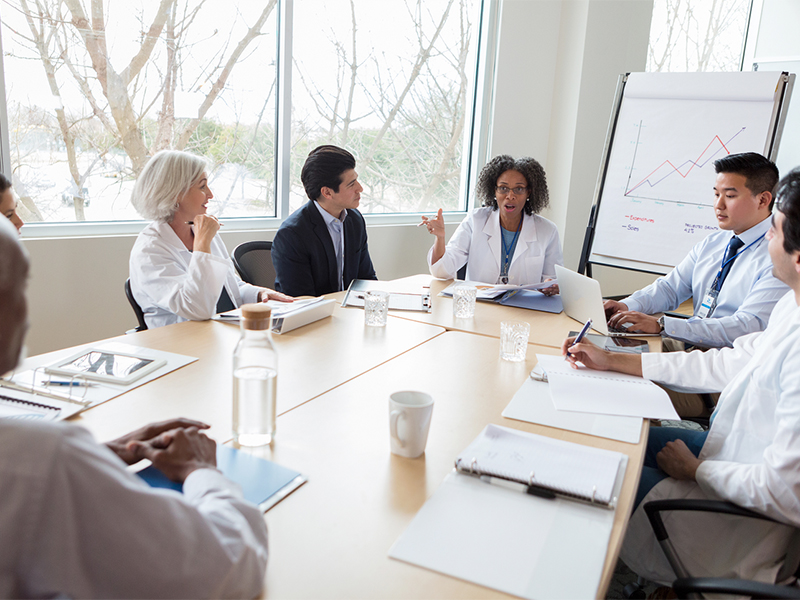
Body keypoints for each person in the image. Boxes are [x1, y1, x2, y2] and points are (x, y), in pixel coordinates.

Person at [0, 216, 268, 598]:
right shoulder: (39, 458)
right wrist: (202, 472)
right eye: (20, 289)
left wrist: (94, 456)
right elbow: (228, 569)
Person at [561, 167, 800, 586]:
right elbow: (724, 363)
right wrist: (612, 360)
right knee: (613, 438)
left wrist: (696, 472)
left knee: (593, 474)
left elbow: (784, 491)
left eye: (776, 230)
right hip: (732, 457)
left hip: (738, 524)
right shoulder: (791, 309)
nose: (769, 241)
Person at [605, 152, 787, 350]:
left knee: (616, 361)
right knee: (600, 348)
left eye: (730, 196)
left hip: (730, 356)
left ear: (763, 200)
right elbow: (670, 288)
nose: (719, 205)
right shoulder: (714, 242)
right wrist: (627, 305)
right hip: (691, 343)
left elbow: (747, 327)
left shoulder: (780, 255)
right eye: (717, 194)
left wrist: (663, 325)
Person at [129, 150, 291, 329]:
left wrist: (259, 293)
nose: (210, 194)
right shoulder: (150, 251)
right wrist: (202, 245)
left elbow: (229, 288)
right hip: (183, 345)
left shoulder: (201, 231)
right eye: (202, 186)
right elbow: (198, 309)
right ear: (175, 193)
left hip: (223, 333)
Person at [422, 155, 562, 293]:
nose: (510, 196)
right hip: (480, 306)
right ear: (494, 191)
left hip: (524, 310)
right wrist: (440, 238)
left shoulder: (548, 231)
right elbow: (441, 271)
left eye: (519, 189)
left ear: (528, 193)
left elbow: (552, 279)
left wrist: (551, 285)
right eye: (503, 188)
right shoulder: (476, 220)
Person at [272, 145, 377, 296]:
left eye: (357, 180)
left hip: (348, 314)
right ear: (327, 192)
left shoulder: (354, 219)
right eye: (351, 184)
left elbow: (367, 280)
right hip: (313, 316)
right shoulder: (292, 234)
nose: (360, 188)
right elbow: (302, 300)